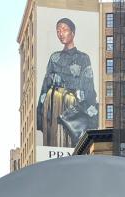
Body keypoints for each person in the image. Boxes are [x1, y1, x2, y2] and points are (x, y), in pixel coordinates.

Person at [36, 17, 99, 147]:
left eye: (64, 30)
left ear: (73, 33)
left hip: (73, 108)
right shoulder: (54, 57)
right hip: (54, 106)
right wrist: (40, 115)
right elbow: (45, 85)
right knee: (56, 144)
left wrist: (92, 115)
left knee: (72, 146)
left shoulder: (83, 58)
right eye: (58, 31)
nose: (61, 33)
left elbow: (88, 86)